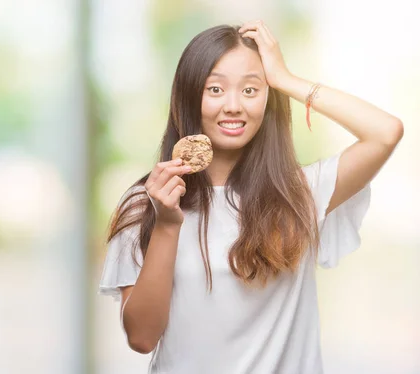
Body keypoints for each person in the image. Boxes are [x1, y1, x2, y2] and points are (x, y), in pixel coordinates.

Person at [98, 20, 403, 374]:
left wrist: (286, 80)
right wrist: (167, 225)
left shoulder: (300, 193)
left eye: (250, 90)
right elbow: (142, 338)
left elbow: (385, 132)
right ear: (188, 96)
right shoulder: (147, 201)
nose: (233, 106)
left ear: (268, 98)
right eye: (215, 89)